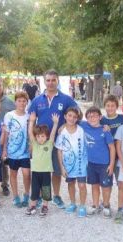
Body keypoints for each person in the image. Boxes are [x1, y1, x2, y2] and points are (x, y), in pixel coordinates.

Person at [28, 69, 78, 209]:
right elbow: (31, 120)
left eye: (53, 80)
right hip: (40, 143)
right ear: (44, 81)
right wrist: (31, 143)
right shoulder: (37, 100)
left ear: (58, 81)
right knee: (39, 171)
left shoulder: (66, 99)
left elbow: (76, 114)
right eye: (48, 80)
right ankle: (38, 197)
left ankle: (56, 196)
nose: (50, 83)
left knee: (56, 171)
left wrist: (66, 125)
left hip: (58, 143)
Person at [81, 106, 115, 216]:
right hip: (91, 163)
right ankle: (95, 205)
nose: (92, 118)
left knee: (105, 186)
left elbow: (112, 148)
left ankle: (106, 205)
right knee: (94, 185)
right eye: (89, 117)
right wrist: (62, 127)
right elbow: (71, 122)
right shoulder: (84, 125)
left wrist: (111, 164)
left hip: (104, 164)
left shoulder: (105, 130)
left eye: (95, 116)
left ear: (100, 117)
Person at [55, 107, 88, 218]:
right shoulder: (62, 132)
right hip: (68, 164)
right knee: (71, 184)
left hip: (81, 164)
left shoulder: (81, 130)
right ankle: (73, 203)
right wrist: (62, 167)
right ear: (65, 116)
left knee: (82, 185)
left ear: (77, 118)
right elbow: (59, 150)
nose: (72, 118)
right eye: (69, 116)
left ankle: (82, 205)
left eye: (74, 117)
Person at [25, 112, 59, 216]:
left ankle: (45, 206)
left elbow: (53, 134)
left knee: (46, 189)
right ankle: (32, 206)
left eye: (43, 136)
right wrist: (31, 121)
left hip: (46, 172)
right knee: (34, 190)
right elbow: (30, 133)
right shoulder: (34, 144)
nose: (40, 138)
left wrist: (55, 123)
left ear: (46, 136)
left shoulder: (49, 144)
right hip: (35, 172)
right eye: (38, 136)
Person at [3, 92, 31, 208]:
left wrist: (31, 147)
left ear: (27, 102)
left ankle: (26, 194)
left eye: (24, 101)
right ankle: (15, 196)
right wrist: (4, 149)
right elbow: (6, 133)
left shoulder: (29, 116)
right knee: (13, 173)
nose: (21, 103)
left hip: (25, 151)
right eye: (19, 101)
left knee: (26, 173)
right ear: (15, 102)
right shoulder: (9, 115)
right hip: (12, 151)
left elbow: (32, 133)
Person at [100, 95, 123, 182]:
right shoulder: (101, 120)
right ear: (104, 106)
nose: (110, 108)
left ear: (117, 106)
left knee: (121, 182)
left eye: (113, 106)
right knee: (106, 183)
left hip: (120, 155)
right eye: (108, 105)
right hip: (107, 156)